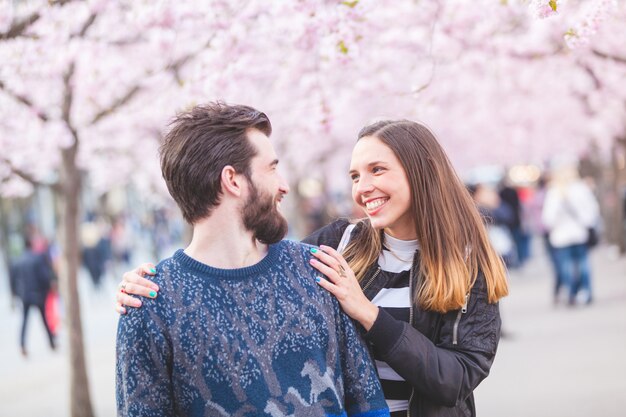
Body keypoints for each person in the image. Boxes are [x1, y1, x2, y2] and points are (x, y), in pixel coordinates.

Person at [117, 118, 509, 417]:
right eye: (355, 175)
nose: (363, 187)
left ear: (421, 171)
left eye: (377, 170)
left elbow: (456, 378)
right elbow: (253, 262)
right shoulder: (339, 244)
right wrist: (152, 285)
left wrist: (371, 316)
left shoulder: (466, 262)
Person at [115, 103, 389, 417]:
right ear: (233, 180)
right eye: (272, 168)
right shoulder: (148, 304)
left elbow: (368, 404)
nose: (284, 185)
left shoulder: (318, 270)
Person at [542, 159, 599, 305]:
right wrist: (586, 223)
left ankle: (572, 293)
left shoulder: (554, 192)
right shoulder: (581, 188)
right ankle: (586, 292)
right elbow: (592, 210)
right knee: (583, 263)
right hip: (579, 234)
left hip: (561, 237)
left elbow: (548, 218)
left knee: (566, 266)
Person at [10, 234, 57, 357]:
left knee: (25, 321)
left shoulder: (18, 261)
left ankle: (22, 345)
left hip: (25, 296)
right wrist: (48, 289)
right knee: (44, 320)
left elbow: (13, 280)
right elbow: (44, 276)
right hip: (38, 295)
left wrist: (15, 295)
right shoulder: (37, 258)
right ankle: (51, 342)